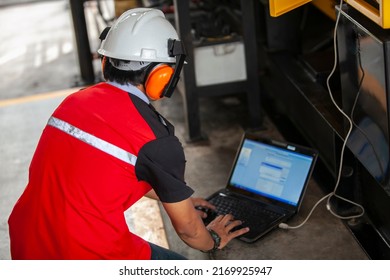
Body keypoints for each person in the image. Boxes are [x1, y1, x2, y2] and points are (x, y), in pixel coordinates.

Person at [8, 8, 249, 260]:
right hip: (84, 255)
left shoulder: (74, 102)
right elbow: (189, 232)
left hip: (28, 241)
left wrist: (178, 198)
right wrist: (214, 240)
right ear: (162, 76)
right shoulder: (156, 138)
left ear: (106, 62)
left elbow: (118, 167)